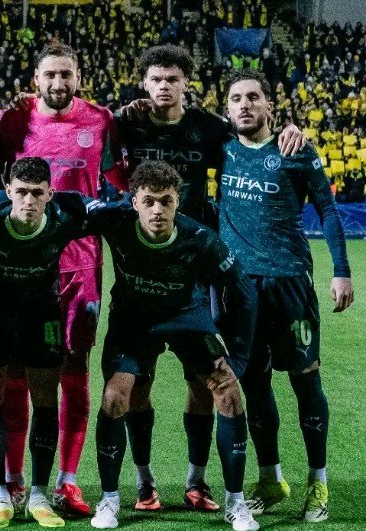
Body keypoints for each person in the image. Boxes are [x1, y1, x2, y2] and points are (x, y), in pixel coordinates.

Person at [114, 44, 306, 512]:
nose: (164, 86)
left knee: (203, 381)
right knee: (138, 384)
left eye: (173, 79)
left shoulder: (210, 128)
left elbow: (253, 137)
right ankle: (143, 483)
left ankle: (196, 481)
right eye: (156, 79)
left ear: (186, 83)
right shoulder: (127, 122)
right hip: (140, 268)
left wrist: (288, 129)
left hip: (197, 273)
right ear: (144, 83)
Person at [83, 160, 259, 531]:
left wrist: (239, 360)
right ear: (134, 202)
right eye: (148, 201)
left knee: (227, 393)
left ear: (178, 200)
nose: (157, 210)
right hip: (133, 320)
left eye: (166, 201)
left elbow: (243, 290)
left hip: (186, 317)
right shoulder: (113, 220)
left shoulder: (200, 238)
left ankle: (232, 501)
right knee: (116, 397)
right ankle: (118, 496)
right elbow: (68, 206)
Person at [0, 42, 122, 516]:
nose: (58, 82)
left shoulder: (102, 121)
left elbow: (122, 182)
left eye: (66, 74)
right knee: (16, 370)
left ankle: (67, 479)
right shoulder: (11, 121)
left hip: (81, 267)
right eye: (50, 74)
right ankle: (13, 479)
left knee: (74, 368)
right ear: (36, 79)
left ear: (79, 77)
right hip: (23, 264)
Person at [219, 69, 354, 523]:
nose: (244, 105)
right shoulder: (221, 146)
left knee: (305, 381)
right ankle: (271, 479)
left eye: (253, 97)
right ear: (226, 108)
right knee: (255, 385)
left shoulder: (296, 150)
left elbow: (328, 211)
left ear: (269, 105)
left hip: (290, 283)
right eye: (236, 98)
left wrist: (341, 271)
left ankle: (318, 481)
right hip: (241, 289)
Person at [0, 157, 108, 528]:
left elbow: (113, 215)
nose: (28, 201)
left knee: (45, 399)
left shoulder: (64, 219)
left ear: (50, 194)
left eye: (37, 193)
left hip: (41, 318)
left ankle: (39, 495)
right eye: (21, 192)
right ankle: (0, 495)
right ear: (8, 190)